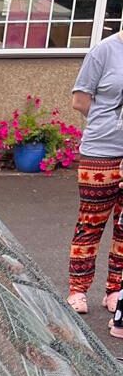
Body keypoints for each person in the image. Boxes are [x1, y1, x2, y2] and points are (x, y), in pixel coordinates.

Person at [68, 31, 123, 316]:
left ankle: (115, 291)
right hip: (101, 152)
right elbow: (80, 100)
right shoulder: (103, 51)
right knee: (91, 222)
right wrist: (107, 123)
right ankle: (78, 290)